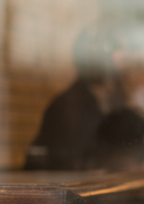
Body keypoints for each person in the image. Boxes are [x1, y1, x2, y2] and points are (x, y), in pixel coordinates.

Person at [24, 25, 126, 170]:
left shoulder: (112, 101)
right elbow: (70, 168)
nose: (123, 56)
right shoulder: (70, 106)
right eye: (116, 48)